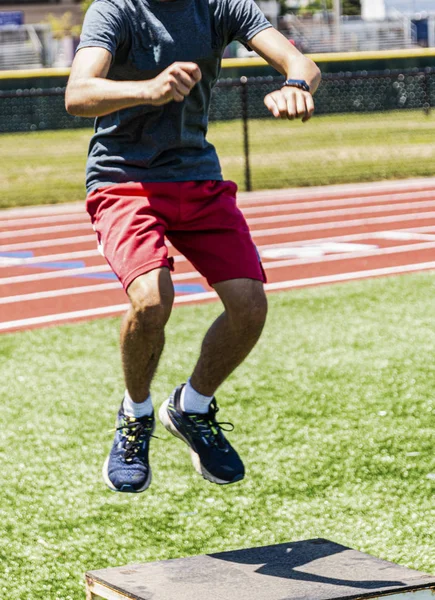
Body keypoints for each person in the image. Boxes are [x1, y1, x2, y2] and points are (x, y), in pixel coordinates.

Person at [65, 0, 321, 493]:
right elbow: (77, 94)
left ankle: (192, 407)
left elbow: (301, 63)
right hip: (123, 181)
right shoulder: (115, 10)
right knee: (152, 299)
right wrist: (148, 88)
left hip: (196, 175)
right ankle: (135, 413)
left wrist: (295, 85)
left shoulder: (223, 6)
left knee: (249, 305)